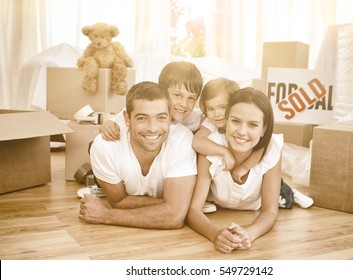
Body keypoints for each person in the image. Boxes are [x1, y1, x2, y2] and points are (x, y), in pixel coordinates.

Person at [187, 87, 297, 253]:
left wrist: (249, 233)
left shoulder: (272, 149)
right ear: (226, 120)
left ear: (264, 129)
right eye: (235, 121)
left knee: (285, 195)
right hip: (222, 207)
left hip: (261, 201)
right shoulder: (211, 147)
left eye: (253, 125)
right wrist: (216, 234)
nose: (242, 131)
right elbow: (193, 210)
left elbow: (270, 211)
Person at [79, 81, 197, 229]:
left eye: (161, 117)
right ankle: (96, 179)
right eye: (142, 118)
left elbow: (174, 217)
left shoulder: (182, 138)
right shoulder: (105, 146)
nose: (152, 128)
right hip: (112, 158)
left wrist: (106, 215)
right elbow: (119, 201)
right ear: (127, 119)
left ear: (169, 117)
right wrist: (175, 204)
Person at [101, 61, 203, 141]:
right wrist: (107, 124)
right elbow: (113, 122)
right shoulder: (145, 109)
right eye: (177, 95)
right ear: (162, 91)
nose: (184, 104)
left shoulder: (195, 118)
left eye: (191, 98)